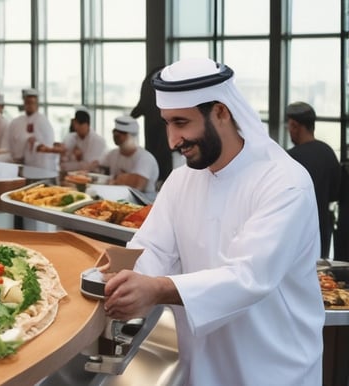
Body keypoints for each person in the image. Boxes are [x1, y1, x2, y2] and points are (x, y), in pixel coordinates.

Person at [103, 58, 323, 385]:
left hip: (275, 369)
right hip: (203, 366)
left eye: (181, 122)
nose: (173, 140)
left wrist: (156, 289)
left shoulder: (284, 182)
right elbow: (150, 249)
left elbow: (248, 277)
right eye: (167, 123)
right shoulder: (180, 182)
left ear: (221, 112)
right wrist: (119, 280)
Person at [285, 102, 341, 258]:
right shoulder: (328, 152)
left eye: (289, 126)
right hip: (323, 232)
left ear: (295, 125)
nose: (289, 130)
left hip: (297, 235)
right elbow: (335, 194)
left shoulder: (289, 158)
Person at [98, 116, 159, 198]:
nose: (116, 134)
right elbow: (97, 169)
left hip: (143, 203)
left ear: (132, 136)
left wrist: (115, 178)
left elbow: (137, 185)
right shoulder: (113, 153)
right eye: (115, 131)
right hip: (116, 199)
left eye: (121, 132)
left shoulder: (145, 158)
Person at [131, 66, 173, 184]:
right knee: (164, 155)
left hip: (152, 130)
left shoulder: (149, 81)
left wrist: (130, 117)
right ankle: (163, 182)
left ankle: (158, 182)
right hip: (163, 129)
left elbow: (140, 106)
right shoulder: (162, 85)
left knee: (154, 155)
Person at [5, 88, 64, 171]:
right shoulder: (19, 121)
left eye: (32, 103)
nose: (29, 105)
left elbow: (48, 143)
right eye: (27, 103)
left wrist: (34, 143)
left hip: (42, 164)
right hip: (27, 164)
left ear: (37, 104)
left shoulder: (42, 121)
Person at [60, 107, 107, 172]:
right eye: (76, 124)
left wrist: (78, 161)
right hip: (70, 176)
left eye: (81, 125)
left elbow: (90, 166)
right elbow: (63, 164)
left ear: (88, 125)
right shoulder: (69, 138)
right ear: (74, 123)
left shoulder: (98, 140)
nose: (78, 128)